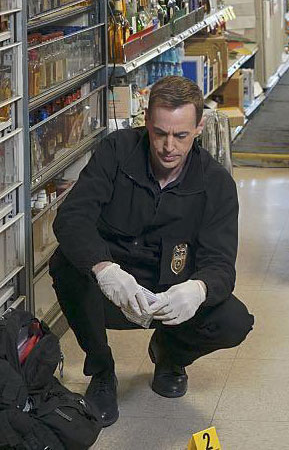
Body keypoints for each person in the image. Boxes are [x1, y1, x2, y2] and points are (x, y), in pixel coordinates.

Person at [50, 76, 254, 427]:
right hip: (113, 290)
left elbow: (220, 263)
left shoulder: (216, 183)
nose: (168, 147)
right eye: (160, 133)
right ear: (146, 121)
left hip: (170, 293)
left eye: (181, 135)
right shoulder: (117, 151)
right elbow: (72, 218)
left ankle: (169, 355)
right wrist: (105, 270)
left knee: (234, 321)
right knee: (66, 264)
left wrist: (198, 289)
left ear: (199, 127)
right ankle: (101, 371)